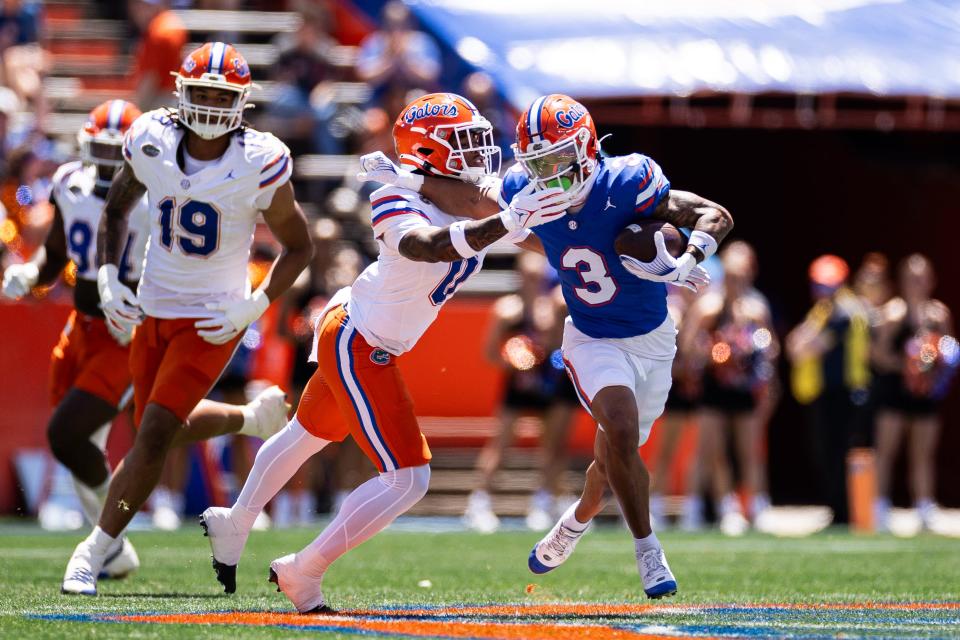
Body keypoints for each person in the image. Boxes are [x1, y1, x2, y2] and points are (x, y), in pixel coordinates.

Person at [199, 92, 567, 611]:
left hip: (366, 335)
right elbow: (428, 245)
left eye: (477, 141)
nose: (478, 153)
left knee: (306, 435)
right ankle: (304, 571)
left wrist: (581, 241)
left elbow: (545, 242)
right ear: (428, 149)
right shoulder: (394, 197)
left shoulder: (462, 193)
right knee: (409, 478)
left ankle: (234, 521)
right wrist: (509, 220)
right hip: (358, 338)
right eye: (463, 142)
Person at [361, 94, 733, 598]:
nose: (550, 174)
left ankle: (574, 523)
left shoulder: (627, 180)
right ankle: (648, 552)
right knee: (620, 430)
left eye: (559, 160)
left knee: (613, 460)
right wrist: (408, 180)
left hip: (653, 337)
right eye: (540, 164)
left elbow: (715, 214)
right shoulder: (522, 187)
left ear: (586, 148)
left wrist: (686, 263)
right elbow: (473, 191)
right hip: (591, 336)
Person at [59, 42, 315, 596]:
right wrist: (107, 276)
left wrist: (256, 303)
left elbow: (300, 247)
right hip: (152, 305)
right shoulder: (150, 137)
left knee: (150, 436)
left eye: (220, 94)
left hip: (212, 319)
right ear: (181, 90)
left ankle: (95, 548)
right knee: (157, 428)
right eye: (199, 90)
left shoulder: (259, 160)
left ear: (240, 101)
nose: (207, 102)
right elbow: (118, 209)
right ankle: (248, 419)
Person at [1, 98, 289, 576]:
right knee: (126, 430)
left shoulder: (156, 190)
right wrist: (30, 274)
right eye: (101, 150)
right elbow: (57, 256)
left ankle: (106, 542)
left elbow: (171, 254)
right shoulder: (69, 182)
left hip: (129, 323)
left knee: (87, 433)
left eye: (120, 152)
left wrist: (132, 300)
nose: (112, 162)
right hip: (83, 324)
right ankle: (244, 420)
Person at [463, 252, 578, 533]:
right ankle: (479, 502)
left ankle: (544, 502)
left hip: (550, 381)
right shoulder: (507, 309)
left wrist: (539, 352)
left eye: (538, 276)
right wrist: (515, 363)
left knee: (553, 445)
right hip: (518, 383)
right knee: (501, 444)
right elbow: (490, 352)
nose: (534, 280)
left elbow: (555, 345)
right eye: (529, 275)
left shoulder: (551, 306)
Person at [678, 241, 777, 535]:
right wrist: (711, 354)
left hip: (745, 388)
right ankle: (715, 507)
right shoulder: (708, 306)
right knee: (713, 449)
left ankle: (757, 507)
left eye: (742, 276)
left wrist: (763, 376)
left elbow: (770, 348)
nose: (737, 282)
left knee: (749, 449)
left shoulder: (757, 308)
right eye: (732, 277)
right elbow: (688, 346)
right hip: (713, 387)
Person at [872, 254, 956, 531]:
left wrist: (931, 371)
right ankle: (879, 506)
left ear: (931, 281)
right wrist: (906, 366)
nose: (917, 284)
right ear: (902, 281)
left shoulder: (939, 314)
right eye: (911, 279)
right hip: (895, 391)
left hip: (925, 395)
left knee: (923, 453)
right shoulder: (892, 313)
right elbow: (876, 355)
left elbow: (950, 353)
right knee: (886, 450)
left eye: (922, 279)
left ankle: (923, 506)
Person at [786, 255, 871, 525]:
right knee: (826, 453)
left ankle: (846, 512)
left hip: (846, 395)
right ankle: (837, 509)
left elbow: (806, 348)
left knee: (840, 454)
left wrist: (803, 340)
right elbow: (793, 346)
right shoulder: (823, 311)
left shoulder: (844, 312)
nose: (821, 291)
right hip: (826, 395)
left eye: (827, 285)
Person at [127, 0, 187, 111]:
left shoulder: (158, 30)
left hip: (158, 98)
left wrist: (139, 106)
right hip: (172, 94)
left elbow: (152, 76)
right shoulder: (173, 22)